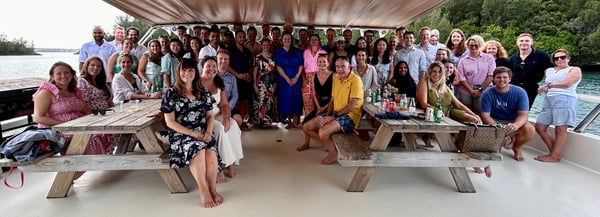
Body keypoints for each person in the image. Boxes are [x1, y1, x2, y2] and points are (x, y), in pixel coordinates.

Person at [160, 56, 223, 208]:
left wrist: (208, 131)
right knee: (199, 151)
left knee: (211, 153)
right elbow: (170, 122)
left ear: (195, 72)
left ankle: (213, 189)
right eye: (184, 70)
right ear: (179, 71)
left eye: (191, 70)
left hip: (202, 132)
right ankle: (203, 190)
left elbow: (210, 115)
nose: (187, 73)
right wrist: (192, 134)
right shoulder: (171, 94)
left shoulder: (203, 92)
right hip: (181, 134)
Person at [32, 61, 110, 180]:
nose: (63, 76)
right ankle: (69, 175)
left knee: (103, 133)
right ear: (52, 76)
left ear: (72, 75)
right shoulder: (46, 92)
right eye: (59, 73)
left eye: (67, 73)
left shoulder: (75, 91)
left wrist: (97, 120)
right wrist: (65, 125)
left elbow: (86, 110)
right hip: (55, 129)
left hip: (76, 125)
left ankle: (80, 168)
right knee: (91, 138)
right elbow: (38, 117)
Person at [302, 56, 363, 165]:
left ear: (350, 67)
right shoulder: (336, 78)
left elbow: (352, 106)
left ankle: (332, 152)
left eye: (343, 66)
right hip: (336, 112)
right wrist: (327, 114)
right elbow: (333, 100)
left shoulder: (356, 80)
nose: (340, 69)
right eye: (337, 67)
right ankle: (331, 146)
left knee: (322, 132)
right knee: (306, 127)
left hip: (350, 116)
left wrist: (333, 117)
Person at [199, 57, 244, 182]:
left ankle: (230, 165)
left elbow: (224, 104)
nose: (212, 69)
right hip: (203, 117)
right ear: (202, 67)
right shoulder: (196, 82)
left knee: (233, 126)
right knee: (220, 131)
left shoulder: (219, 82)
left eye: (214, 66)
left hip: (217, 113)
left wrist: (226, 118)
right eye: (208, 66)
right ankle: (220, 167)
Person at [416, 61, 480, 147]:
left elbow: (459, 105)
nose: (436, 74)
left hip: (449, 112)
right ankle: (428, 135)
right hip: (432, 113)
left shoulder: (444, 86)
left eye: (439, 72)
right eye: (434, 71)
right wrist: (436, 109)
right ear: (430, 72)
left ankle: (462, 144)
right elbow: (423, 103)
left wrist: (474, 114)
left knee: (475, 120)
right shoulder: (424, 83)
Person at [534, 49, 582, 162]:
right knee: (540, 127)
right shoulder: (550, 70)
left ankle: (553, 156)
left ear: (568, 58)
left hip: (565, 99)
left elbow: (567, 84)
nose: (559, 59)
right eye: (556, 58)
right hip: (549, 99)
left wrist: (549, 86)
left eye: (563, 57)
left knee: (560, 129)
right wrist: (543, 88)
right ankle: (554, 153)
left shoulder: (574, 69)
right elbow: (548, 84)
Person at [480, 66, 535, 161]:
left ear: (509, 79)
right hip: (494, 122)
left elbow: (523, 114)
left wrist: (515, 125)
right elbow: (485, 116)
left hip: (512, 121)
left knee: (530, 129)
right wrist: (501, 131)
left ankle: (516, 147)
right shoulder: (487, 93)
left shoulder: (520, 92)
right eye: (498, 77)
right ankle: (500, 142)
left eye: (505, 77)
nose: (502, 80)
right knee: (491, 148)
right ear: (494, 79)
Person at [298, 54, 333, 152]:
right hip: (319, 106)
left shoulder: (333, 75)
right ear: (317, 63)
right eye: (320, 62)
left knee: (321, 123)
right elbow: (314, 94)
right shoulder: (314, 76)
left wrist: (325, 108)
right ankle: (317, 144)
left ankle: (328, 144)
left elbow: (334, 96)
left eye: (324, 62)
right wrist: (318, 107)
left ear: (328, 63)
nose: (322, 64)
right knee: (305, 124)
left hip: (331, 106)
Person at [509, 33, 554, 109]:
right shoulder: (513, 57)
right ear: (517, 43)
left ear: (531, 42)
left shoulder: (541, 55)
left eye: (527, 41)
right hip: (513, 88)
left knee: (523, 110)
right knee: (510, 110)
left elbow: (550, 72)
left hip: (530, 89)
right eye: (521, 41)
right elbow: (508, 73)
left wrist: (548, 85)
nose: (524, 43)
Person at [456, 35, 495, 114]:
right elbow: (461, 77)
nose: (473, 47)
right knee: (467, 111)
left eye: (476, 45)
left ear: (480, 45)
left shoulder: (489, 58)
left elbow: (491, 75)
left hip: (484, 87)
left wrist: (480, 90)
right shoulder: (463, 60)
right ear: (468, 46)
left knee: (480, 110)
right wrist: (471, 90)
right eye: (471, 45)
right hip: (467, 89)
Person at [275, 31, 304, 129]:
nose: (287, 41)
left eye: (289, 39)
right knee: (286, 100)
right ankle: (289, 122)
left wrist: (296, 77)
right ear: (282, 41)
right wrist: (287, 79)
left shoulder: (298, 51)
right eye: (285, 39)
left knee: (296, 99)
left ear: (292, 40)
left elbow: (301, 65)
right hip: (284, 79)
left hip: (296, 78)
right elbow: (278, 67)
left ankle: (296, 122)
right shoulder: (279, 52)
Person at [252, 39, 278, 128]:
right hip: (261, 83)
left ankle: (268, 122)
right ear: (261, 46)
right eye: (264, 45)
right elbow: (255, 72)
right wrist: (254, 84)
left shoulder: (274, 57)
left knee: (269, 103)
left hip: (272, 84)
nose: (266, 47)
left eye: (267, 45)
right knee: (261, 102)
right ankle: (260, 122)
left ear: (269, 46)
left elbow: (276, 70)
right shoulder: (257, 57)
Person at [302, 34, 327, 116]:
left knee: (319, 99)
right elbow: (302, 67)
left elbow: (326, 67)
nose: (313, 41)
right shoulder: (305, 52)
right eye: (312, 39)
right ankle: (308, 120)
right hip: (307, 78)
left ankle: (319, 121)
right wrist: (304, 79)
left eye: (315, 39)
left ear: (318, 41)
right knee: (307, 100)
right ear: (309, 41)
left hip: (319, 77)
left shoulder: (323, 52)